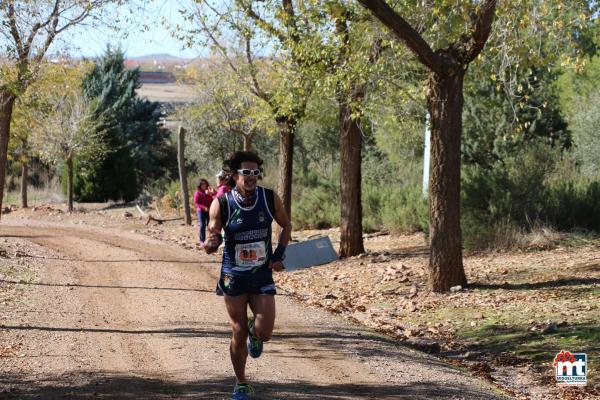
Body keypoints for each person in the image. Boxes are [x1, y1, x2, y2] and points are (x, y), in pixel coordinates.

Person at [204, 151, 291, 400]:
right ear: (234, 175)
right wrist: (211, 242)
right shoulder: (221, 203)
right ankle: (241, 383)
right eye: (246, 173)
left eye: (256, 173)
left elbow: (286, 225)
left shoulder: (269, 198)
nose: (252, 177)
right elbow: (213, 234)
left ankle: (256, 333)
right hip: (234, 275)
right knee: (238, 329)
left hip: (261, 274)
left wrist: (279, 254)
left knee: (265, 333)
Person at [193, 179, 214, 245]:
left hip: (209, 210)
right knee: (202, 225)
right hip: (201, 211)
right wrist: (203, 207)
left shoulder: (209, 191)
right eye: (202, 184)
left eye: (205, 183)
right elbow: (196, 203)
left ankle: (211, 240)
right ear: (199, 185)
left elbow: (213, 199)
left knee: (210, 225)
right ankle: (202, 241)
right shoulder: (197, 193)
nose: (204, 185)